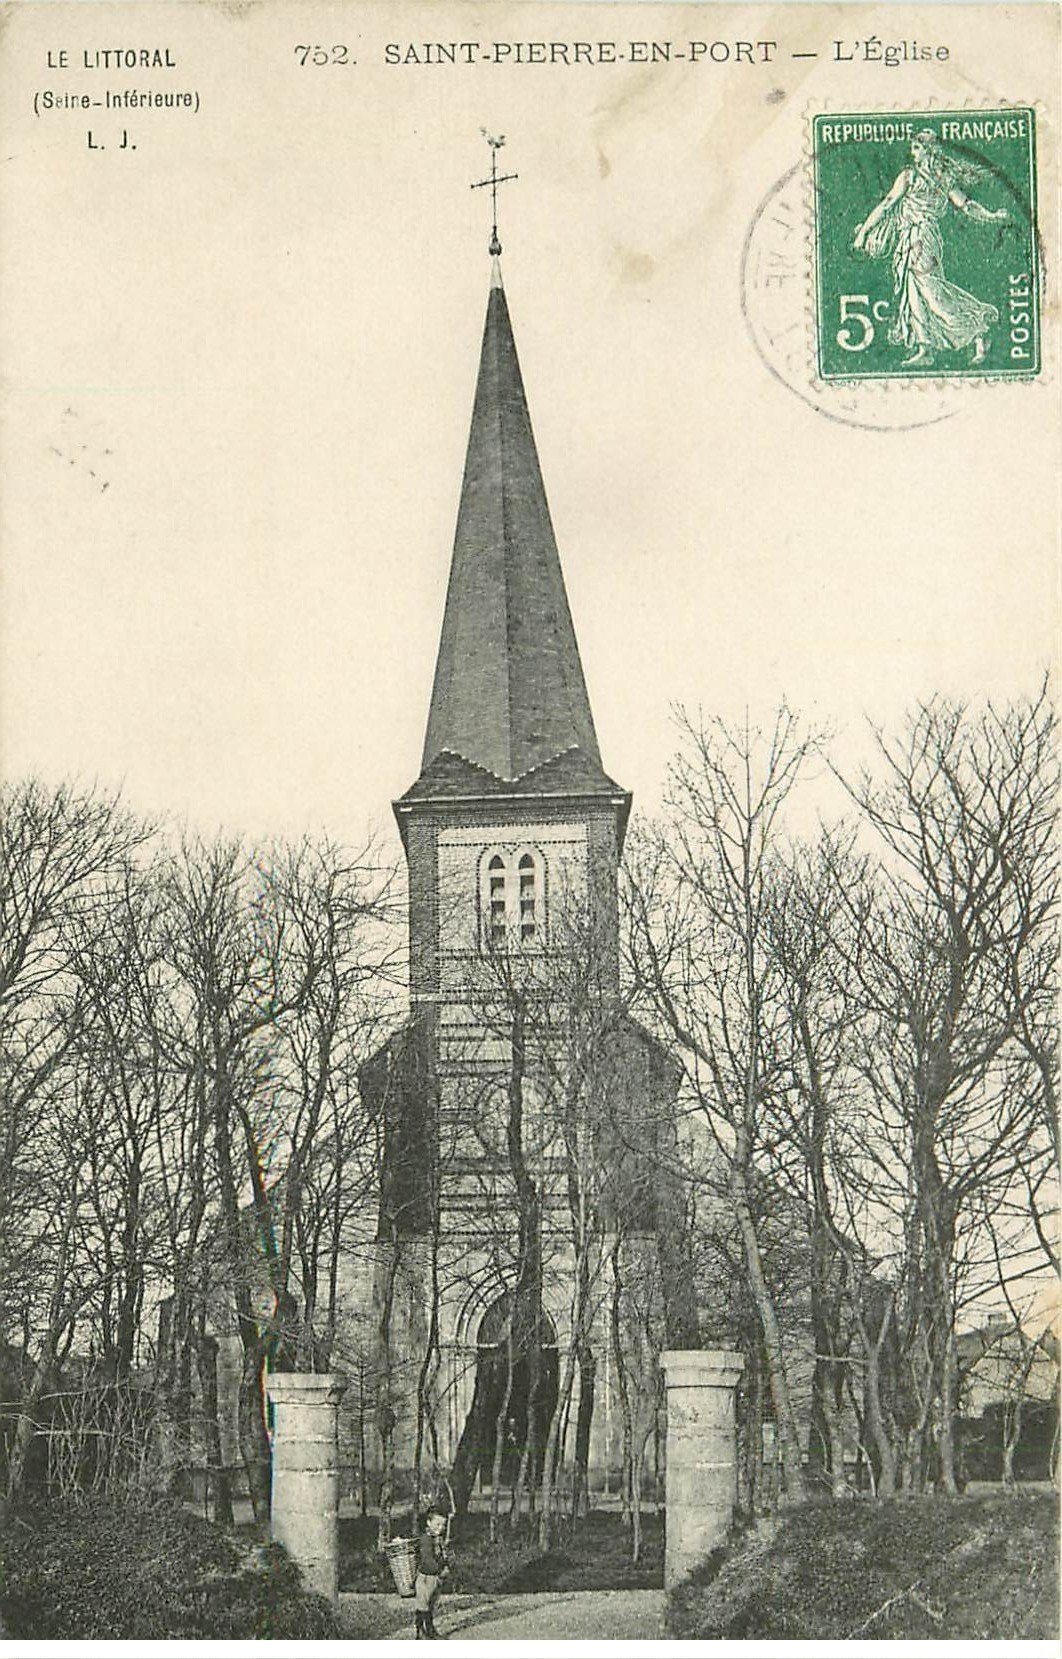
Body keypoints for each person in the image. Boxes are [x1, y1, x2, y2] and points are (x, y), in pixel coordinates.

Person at [852, 129, 1009, 366]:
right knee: (915, 291)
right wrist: (864, 231)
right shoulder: (925, 177)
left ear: (929, 150)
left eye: (916, 147)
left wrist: (991, 215)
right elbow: (966, 205)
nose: (912, 152)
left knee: (930, 291)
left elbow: (965, 205)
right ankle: (925, 348)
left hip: (922, 238)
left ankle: (979, 325)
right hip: (910, 238)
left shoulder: (917, 177)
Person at [412, 1506, 451, 1640]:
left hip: (435, 1577)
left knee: (430, 1604)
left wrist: (446, 1563)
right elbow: (428, 1559)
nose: (440, 1528)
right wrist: (440, 1569)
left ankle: (429, 1628)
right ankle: (420, 1630)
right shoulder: (426, 1539)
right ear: (429, 1523)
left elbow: (442, 1556)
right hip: (426, 1577)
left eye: (443, 1525)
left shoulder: (437, 1539)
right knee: (423, 1604)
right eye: (437, 1524)